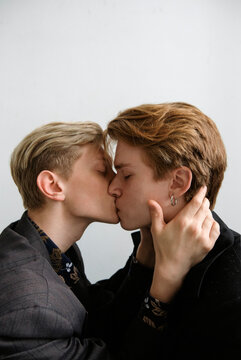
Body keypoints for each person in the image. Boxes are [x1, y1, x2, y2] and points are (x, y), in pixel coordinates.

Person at [0, 121, 218, 360]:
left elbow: (97, 317)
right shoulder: (29, 303)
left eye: (123, 174)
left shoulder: (47, 249)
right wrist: (166, 280)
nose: (116, 185)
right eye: (103, 171)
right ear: (53, 186)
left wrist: (145, 255)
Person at [106, 101, 241, 359]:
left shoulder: (231, 287)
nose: (112, 187)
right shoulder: (149, 249)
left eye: (126, 175)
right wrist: (145, 264)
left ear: (177, 183)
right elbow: (106, 339)